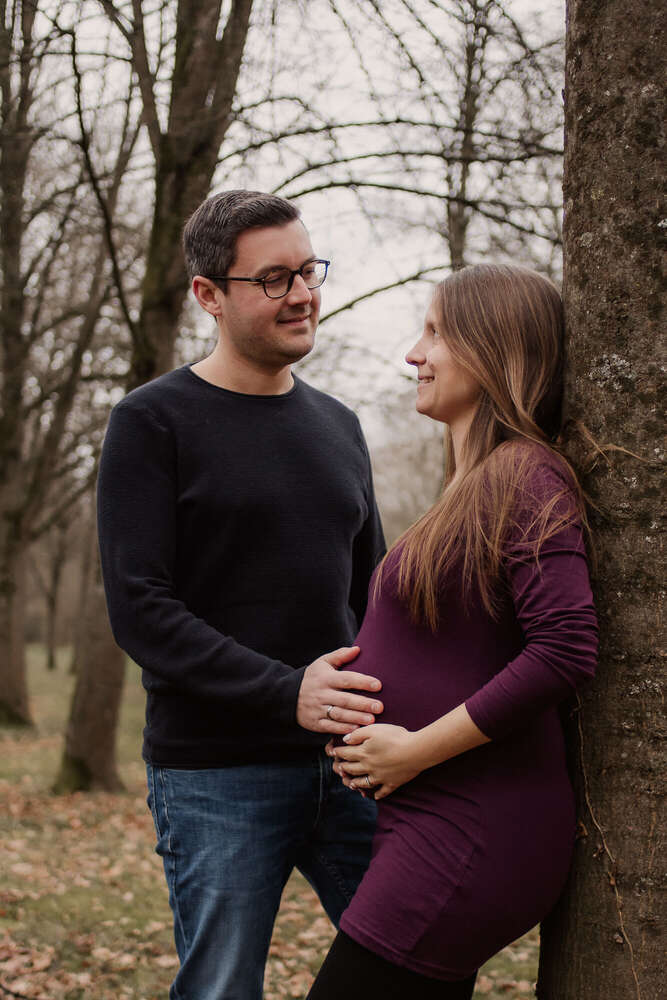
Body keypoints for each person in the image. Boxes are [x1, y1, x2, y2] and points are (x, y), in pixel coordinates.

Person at [97, 190, 386, 1000]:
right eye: (273, 279)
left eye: (307, 270)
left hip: (352, 765)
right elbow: (141, 608)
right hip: (216, 774)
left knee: (416, 963)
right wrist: (285, 691)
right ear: (208, 295)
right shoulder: (152, 422)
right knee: (222, 988)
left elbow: (374, 597)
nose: (301, 293)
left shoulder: (339, 425)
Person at [306, 263, 598, 999]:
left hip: (469, 828)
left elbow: (565, 650)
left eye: (434, 332)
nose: (413, 354)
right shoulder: (477, 484)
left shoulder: (526, 474)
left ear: (492, 347)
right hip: (435, 820)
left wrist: (410, 750)